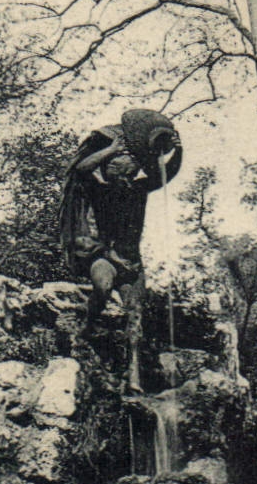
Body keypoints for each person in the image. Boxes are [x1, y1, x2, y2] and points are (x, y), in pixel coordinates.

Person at [56, 110, 182, 388]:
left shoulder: (139, 190)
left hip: (132, 264)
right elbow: (81, 169)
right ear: (108, 169)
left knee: (136, 319)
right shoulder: (99, 189)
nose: (124, 170)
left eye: (129, 166)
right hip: (106, 258)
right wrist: (112, 148)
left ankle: (134, 375)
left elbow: (166, 173)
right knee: (102, 286)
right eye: (117, 166)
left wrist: (178, 150)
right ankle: (88, 325)